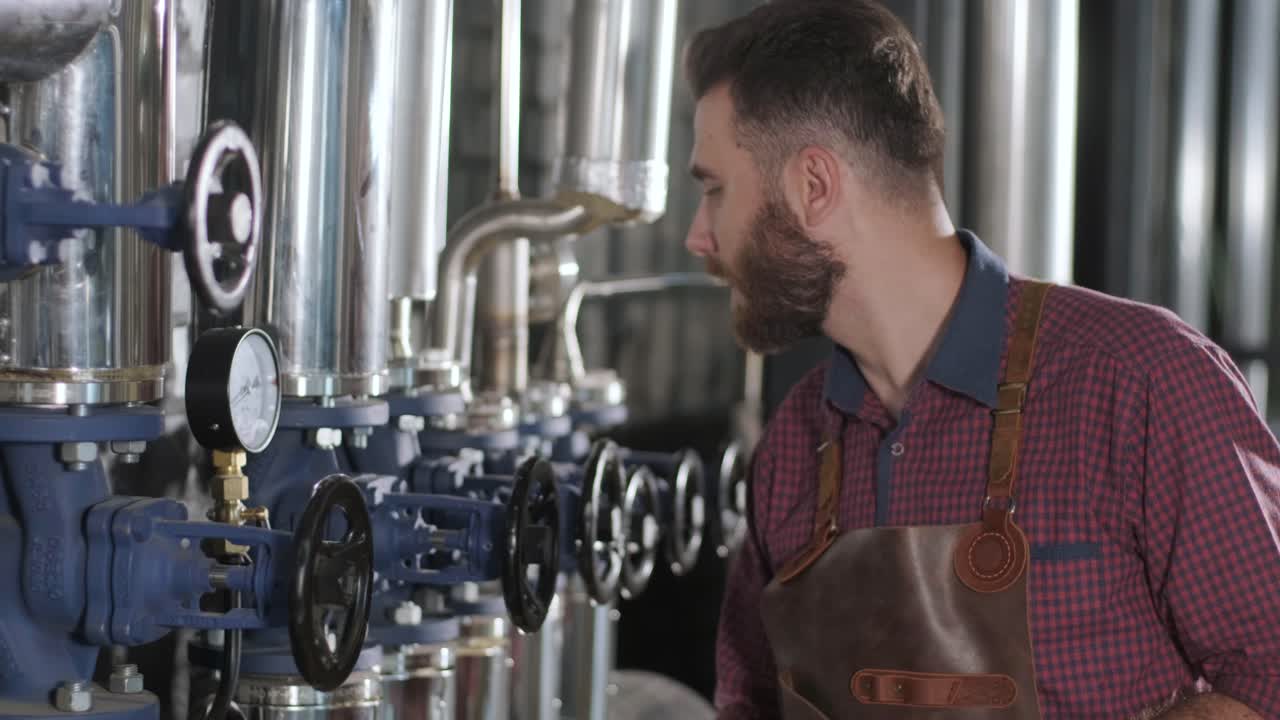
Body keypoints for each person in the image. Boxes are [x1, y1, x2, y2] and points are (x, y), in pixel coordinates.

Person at [680, 1, 1280, 718]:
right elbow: (748, 703)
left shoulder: (1140, 382)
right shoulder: (792, 446)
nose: (698, 237)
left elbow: (1269, 673)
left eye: (715, 189)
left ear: (813, 187)